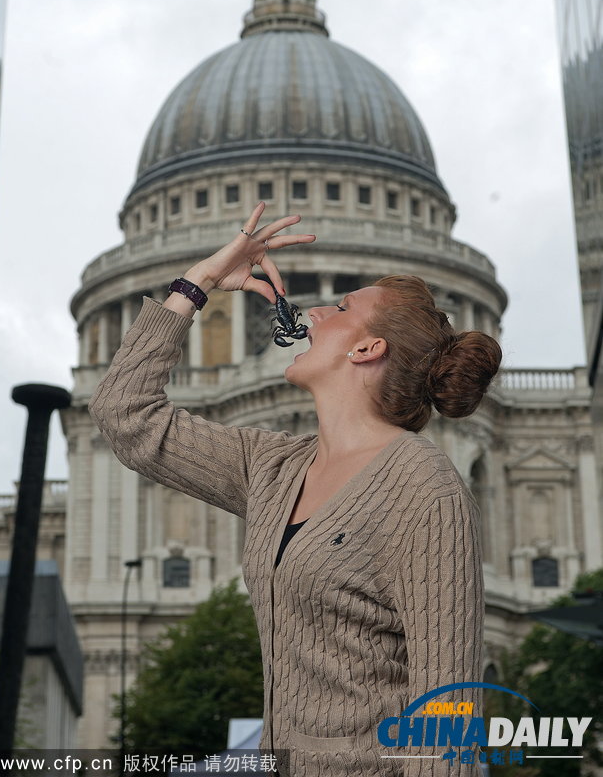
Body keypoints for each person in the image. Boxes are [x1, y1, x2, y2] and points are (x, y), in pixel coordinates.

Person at [88, 202, 502, 776]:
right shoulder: (274, 468)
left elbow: (446, 721)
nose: (306, 311)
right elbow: (125, 414)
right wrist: (201, 280)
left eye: (337, 307)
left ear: (366, 349)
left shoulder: (424, 491)